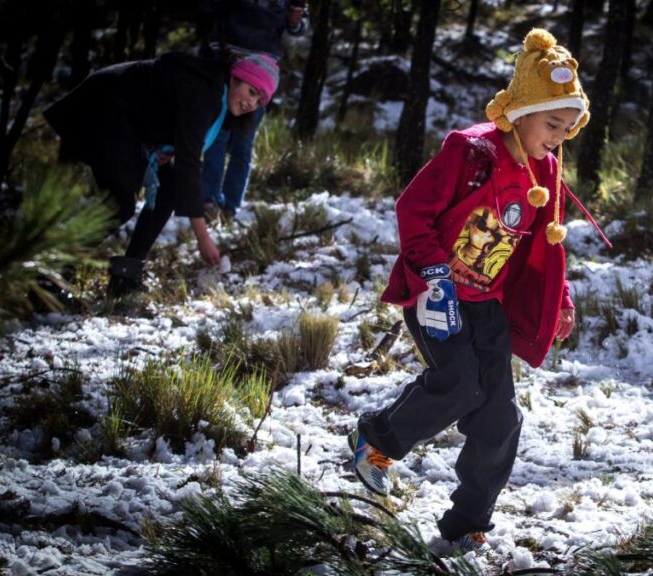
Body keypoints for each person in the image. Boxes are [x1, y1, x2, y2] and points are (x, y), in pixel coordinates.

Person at [348, 29, 611, 553]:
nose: (558, 137)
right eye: (551, 124)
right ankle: (376, 441)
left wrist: (560, 299)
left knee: (500, 416)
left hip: (487, 305)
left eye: (567, 128)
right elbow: (412, 210)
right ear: (520, 112)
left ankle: (467, 523)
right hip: (438, 297)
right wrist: (432, 275)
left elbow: (544, 245)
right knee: (459, 385)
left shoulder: (547, 170)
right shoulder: (471, 152)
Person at [43, 51, 279, 295]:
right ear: (236, 78)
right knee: (119, 204)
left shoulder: (218, 97)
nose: (252, 104)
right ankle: (51, 271)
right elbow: (189, 164)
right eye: (252, 92)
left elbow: (175, 130)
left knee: (169, 191)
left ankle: (127, 275)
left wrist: (165, 147)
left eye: (259, 101)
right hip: (100, 109)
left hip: (126, 124)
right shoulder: (206, 90)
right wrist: (202, 237)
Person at [198, 0, 307, 223]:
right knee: (217, 134)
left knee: (243, 141)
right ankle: (208, 201)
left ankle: (229, 207)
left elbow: (299, 26)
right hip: (225, 62)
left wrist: (296, 21)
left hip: (260, 71)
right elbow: (207, 7)